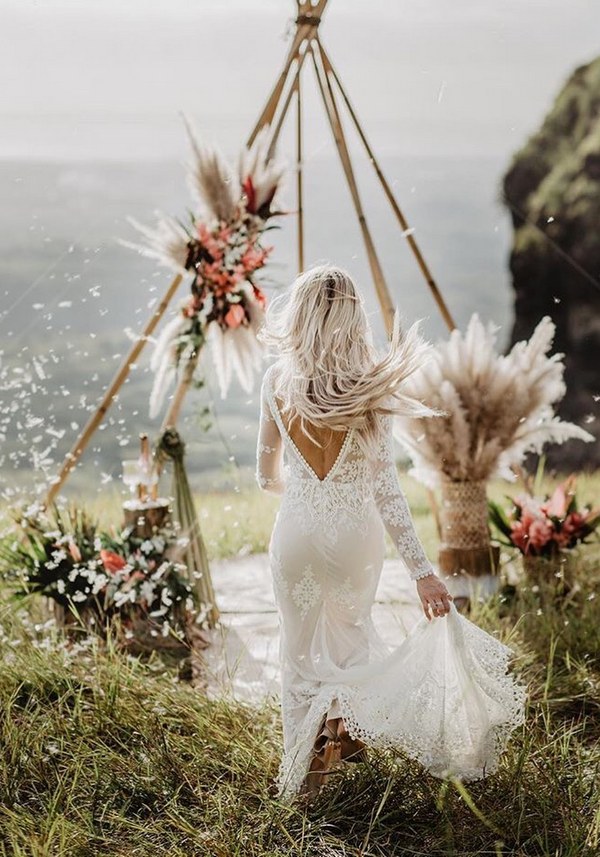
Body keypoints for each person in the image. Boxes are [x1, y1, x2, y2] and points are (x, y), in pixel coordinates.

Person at [255, 264, 525, 800]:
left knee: (300, 653)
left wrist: (306, 494)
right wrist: (424, 575)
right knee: (351, 642)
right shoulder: (370, 387)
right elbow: (388, 495)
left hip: (297, 535)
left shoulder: (276, 381)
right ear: (352, 317)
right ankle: (342, 726)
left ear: (302, 316)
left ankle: (304, 787)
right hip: (355, 538)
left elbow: (266, 476)